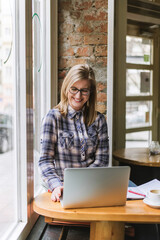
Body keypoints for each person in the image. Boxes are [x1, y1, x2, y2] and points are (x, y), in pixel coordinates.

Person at [39, 64, 109, 202]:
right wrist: (56, 186)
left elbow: (102, 161)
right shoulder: (53, 117)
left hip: (92, 186)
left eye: (84, 90)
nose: (78, 95)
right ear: (66, 88)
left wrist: (82, 183)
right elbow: (45, 161)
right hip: (63, 189)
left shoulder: (99, 120)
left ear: (91, 93)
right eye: (74, 89)